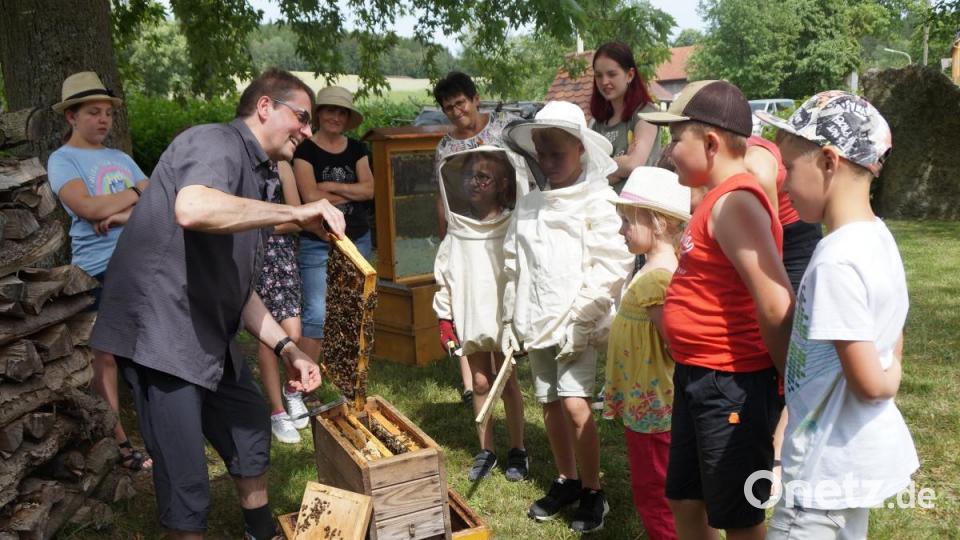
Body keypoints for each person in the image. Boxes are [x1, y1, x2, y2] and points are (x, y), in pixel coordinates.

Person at [90, 68, 345, 540]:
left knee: (250, 423)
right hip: (162, 337)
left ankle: (260, 530)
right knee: (187, 486)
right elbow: (192, 208)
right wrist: (297, 211)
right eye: (302, 117)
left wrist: (288, 349)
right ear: (265, 107)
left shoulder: (260, 174)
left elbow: (238, 287)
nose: (308, 131)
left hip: (210, 331)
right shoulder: (213, 142)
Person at [638, 80, 794, 540]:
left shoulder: (734, 204)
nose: (668, 152)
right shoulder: (713, 200)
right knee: (686, 499)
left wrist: (791, 386)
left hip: (732, 384)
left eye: (674, 140)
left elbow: (775, 299)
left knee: (738, 515)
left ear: (709, 143)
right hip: (698, 377)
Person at [757, 92, 918, 539]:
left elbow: (869, 385)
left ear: (829, 161)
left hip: (820, 478)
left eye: (789, 168)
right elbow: (892, 319)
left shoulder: (835, 262)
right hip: (844, 469)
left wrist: (892, 375)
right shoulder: (877, 238)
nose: (783, 185)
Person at [502, 101, 633, 534]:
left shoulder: (597, 199)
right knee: (550, 403)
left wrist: (582, 320)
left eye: (557, 154)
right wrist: (509, 318)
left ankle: (594, 489)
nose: (548, 162)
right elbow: (514, 263)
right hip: (538, 319)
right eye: (542, 153)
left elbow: (611, 264)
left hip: (578, 321)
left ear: (580, 149)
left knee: (577, 405)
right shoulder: (530, 204)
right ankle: (567, 479)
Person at [46, 71, 152, 472]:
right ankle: (121, 443)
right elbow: (88, 209)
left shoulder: (120, 158)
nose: (104, 120)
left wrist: (121, 213)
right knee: (104, 357)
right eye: (93, 112)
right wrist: (135, 197)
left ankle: (160, 432)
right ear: (71, 116)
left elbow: (158, 195)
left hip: (139, 267)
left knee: (145, 354)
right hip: (97, 272)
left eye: (107, 112)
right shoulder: (63, 159)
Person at [433, 146, 531, 482]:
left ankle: (517, 449)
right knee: (478, 382)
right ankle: (486, 450)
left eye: (483, 177)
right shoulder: (458, 228)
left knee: (507, 382)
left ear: (503, 184)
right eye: (470, 176)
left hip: (503, 317)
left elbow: (521, 273)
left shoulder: (512, 224)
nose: (474, 183)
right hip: (471, 313)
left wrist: (521, 317)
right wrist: (445, 319)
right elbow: (446, 275)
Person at [603, 167, 690, 540]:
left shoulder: (657, 277)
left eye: (627, 221)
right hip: (648, 405)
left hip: (655, 408)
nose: (621, 230)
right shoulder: (651, 270)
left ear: (656, 222)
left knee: (655, 493)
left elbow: (673, 342)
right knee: (654, 489)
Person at [432, 71, 519, 406]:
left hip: (505, 228)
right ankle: (475, 387)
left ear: (475, 98)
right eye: (449, 108)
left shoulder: (503, 128)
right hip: (468, 235)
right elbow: (444, 197)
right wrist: (447, 241)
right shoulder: (446, 147)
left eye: (461, 103)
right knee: (473, 306)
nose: (457, 112)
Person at [293, 86, 374, 368]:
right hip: (318, 239)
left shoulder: (357, 148)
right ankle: (302, 387)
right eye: (330, 110)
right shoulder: (305, 151)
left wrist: (329, 188)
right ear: (319, 114)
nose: (335, 117)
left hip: (358, 239)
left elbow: (369, 190)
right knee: (317, 314)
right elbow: (310, 198)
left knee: (354, 311)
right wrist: (347, 191)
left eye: (342, 112)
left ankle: (347, 383)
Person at [255, 161, 308, 444]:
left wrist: (258, 225)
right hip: (254, 256)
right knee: (267, 338)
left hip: (282, 256)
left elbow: (298, 218)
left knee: (292, 332)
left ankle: (292, 391)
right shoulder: (241, 162)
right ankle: (277, 412)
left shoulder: (283, 166)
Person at [589, 41, 663, 192]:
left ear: (630, 75)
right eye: (598, 76)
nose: (604, 82)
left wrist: (604, 169)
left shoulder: (646, 114)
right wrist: (621, 163)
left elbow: (633, 165)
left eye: (612, 74)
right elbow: (588, 173)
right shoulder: (597, 123)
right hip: (601, 208)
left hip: (635, 210)